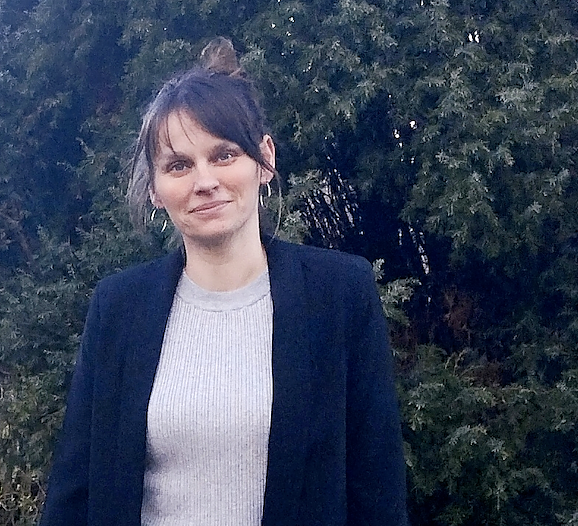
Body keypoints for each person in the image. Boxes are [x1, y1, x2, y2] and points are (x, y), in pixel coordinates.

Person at [39, 37, 408, 526]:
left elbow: (377, 494)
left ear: (264, 160)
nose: (204, 181)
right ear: (155, 188)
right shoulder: (119, 308)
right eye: (178, 165)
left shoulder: (339, 295)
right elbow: (74, 495)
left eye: (224, 155)